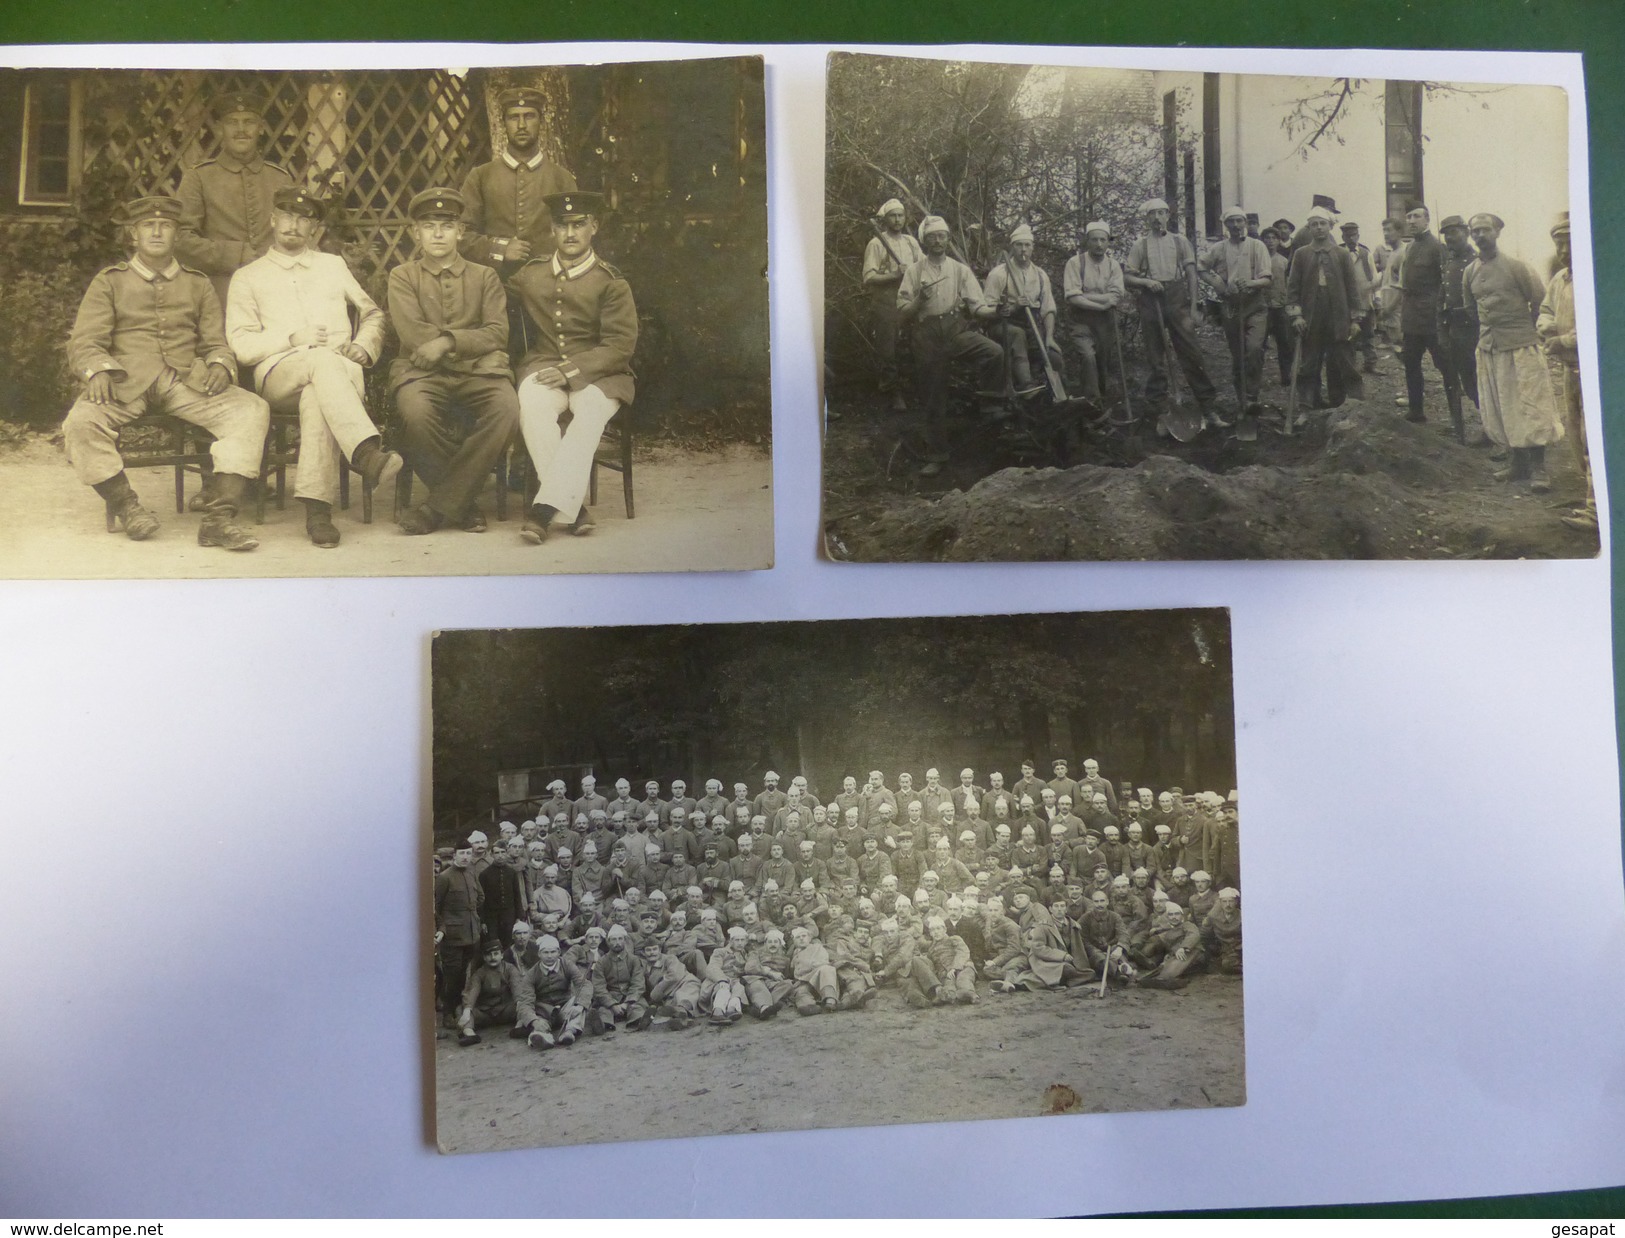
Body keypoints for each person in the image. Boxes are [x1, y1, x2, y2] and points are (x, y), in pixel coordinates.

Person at [64, 195, 269, 551]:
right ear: (133, 234)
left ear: (176, 234)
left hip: (185, 381)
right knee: (80, 423)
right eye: (148, 225)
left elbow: (215, 342)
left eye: (166, 226)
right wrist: (96, 370)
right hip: (124, 382)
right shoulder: (110, 282)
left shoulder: (198, 283)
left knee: (251, 409)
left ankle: (219, 519)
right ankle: (127, 506)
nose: (157, 232)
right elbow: (85, 341)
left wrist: (221, 363)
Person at [225, 186, 402, 548]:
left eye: (304, 218)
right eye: (287, 215)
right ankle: (364, 452)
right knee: (319, 361)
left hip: (338, 374)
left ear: (314, 228)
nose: (294, 224)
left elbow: (371, 313)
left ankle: (317, 511)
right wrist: (292, 339)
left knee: (317, 397)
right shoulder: (248, 276)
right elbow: (242, 347)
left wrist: (363, 346)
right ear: (273, 220)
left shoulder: (332, 266)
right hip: (279, 375)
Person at [387, 186, 522, 537]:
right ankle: (464, 503)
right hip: (422, 374)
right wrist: (473, 350)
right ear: (415, 233)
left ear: (460, 232)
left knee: (506, 408)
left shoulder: (485, 276)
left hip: (477, 376)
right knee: (416, 414)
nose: (437, 234)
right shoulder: (402, 276)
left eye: (446, 226)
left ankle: (439, 506)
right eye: (428, 226)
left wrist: (447, 341)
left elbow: (497, 332)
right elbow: (414, 336)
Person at [510, 190, 638, 543]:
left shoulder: (611, 281)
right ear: (551, 230)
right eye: (562, 225)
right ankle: (574, 510)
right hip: (543, 363)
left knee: (591, 413)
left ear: (593, 227)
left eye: (579, 225)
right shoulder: (530, 275)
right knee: (532, 406)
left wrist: (572, 370)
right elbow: (491, 294)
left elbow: (620, 346)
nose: (570, 233)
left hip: (603, 374)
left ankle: (544, 511)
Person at [895, 214, 1004, 477]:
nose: (937, 241)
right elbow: (901, 311)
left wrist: (997, 311)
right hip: (927, 336)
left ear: (948, 238)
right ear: (924, 241)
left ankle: (991, 406)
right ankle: (936, 455)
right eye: (931, 237)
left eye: (941, 236)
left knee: (994, 352)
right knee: (934, 396)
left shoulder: (959, 269)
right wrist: (919, 302)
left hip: (955, 330)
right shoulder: (914, 271)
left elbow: (978, 306)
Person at [1463, 212, 1563, 492]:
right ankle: (1517, 464)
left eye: (1485, 230)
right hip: (1490, 347)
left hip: (1521, 346)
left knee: (1531, 404)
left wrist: (1523, 331)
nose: (1480, 236)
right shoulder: (1470, 271)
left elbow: (1539, 302)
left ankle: (1539, 468)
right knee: (1503, 404)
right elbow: (1471, 307)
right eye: (1475, 231)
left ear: (1497, 232)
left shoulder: (1517, 267)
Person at [458, 85, 578, 313]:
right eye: (514, 117)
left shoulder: (561, 178)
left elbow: (575, 238)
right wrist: (500, 249)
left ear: (541, 122)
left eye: (529, 116)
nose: (521, 125)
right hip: (493, 291)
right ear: (503, 123)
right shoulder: (480, 176)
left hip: (550, 293)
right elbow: (462, 236)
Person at [175, 90, 295, 308]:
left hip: (277, 291)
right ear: (220, 129)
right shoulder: (199, 177)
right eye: (232, 122)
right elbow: (180, 239)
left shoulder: (280, 178)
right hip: (219, 293)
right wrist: (234, 254)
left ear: (261, 128)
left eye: (249, 122)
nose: (241, 130)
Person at [1123, 197, 1219, 424]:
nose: (1157, 218)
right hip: (1151, 300)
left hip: (1177, 300)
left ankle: (1208, 408)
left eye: (1161, 213)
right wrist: (1146, 283)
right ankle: (1161, 411)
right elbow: (1127, 276)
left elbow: (1192, 275)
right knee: (1155, 357)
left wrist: (1194, 306)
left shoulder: (1180, 241)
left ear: (1168, 216)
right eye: (1152, 214)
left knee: (1191, 353)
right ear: (1147, 218)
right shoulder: (1140, 245)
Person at [1537, 212, 1594, 532]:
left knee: (1592, 437)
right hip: (1569, 369)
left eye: (1570, 243)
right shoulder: (1560, 280)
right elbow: (1545, 311)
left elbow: (1596, 327)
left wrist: (1562, 341)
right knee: (1574, 436)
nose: (1564, 251)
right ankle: (1591, 500)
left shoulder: (1595, 278)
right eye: (1559, 245)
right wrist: (1548, 331)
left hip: (1593, 371)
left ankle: (1598, 512)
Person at [1286, 207, 1364, 409]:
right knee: (1310, 363)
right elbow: (1293, 288)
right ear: (1309, 228)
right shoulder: (1301, 254)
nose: (1319, 228)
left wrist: (1355, 320)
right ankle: (1308, 405)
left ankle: (1351, 406)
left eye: (1322, 224)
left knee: (1344, 361)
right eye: (1314, 224)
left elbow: (1352, 289)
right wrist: (1296, 316)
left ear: (1330, 226)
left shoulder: (1342, 254)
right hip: (1311, 316)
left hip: (1339, 315)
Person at [1198, 206, 1273, 415]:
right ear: (1226, 225)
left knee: (1254, 349)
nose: (1237, 226)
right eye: (1232, 222)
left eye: (1240, 221)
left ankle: (1252, 395)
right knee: (1238, 354)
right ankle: (1242, 400)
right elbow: (1201, 267)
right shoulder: (1219, 248)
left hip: (1255, 305)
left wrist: (1250, 283)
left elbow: (1267, 279)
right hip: (1230, 307)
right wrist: (1219, 285)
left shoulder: (1257, 246)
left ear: (1246, 224)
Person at [979, 222, 1059, 398]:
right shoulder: (999, 274)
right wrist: (1013, 307)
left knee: (1054, 356)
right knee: (1017, 335)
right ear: (1012, 247)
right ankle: (1026, 387)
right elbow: (986, 308)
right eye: (1019, 245)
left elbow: (1048, 309)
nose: (1023, 249)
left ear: (1032, 248)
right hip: (1004, 324)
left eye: (1027, 245)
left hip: (1033, 324)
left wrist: (1050, 337)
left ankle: (1058, 396)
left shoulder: (1040, 275)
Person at [862, 198, 924, 409]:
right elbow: (869, 277)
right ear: (885, 219)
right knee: (888, 346)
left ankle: (915, 388)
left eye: (900, 215)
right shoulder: (877, 243)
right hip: (886, 299)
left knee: (915, 340)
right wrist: (894, 274)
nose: (897, 220)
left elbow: (923, 267)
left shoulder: (911, 242)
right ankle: (891, 390)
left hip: (909, 297)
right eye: (893, 216)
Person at [1058, 220, 1126, 410]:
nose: (1098, 244)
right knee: (1088, 357)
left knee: (1103, 362)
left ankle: (1101, 402)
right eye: (1094, 240)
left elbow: (1116, 297)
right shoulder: (1075, 263)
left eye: (1102, 240)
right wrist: (1101, 303)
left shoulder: (1113, 266)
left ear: (1108, 242)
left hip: (1105, 323)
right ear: (1087, 241)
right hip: (1080, 321)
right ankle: (1092, 405)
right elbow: (1073, 298)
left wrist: (1087, 296)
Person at [1394, 205, 1447, 425]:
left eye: (1417, 216)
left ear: (1427, 220)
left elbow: (1444, 284)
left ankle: (1457, 417)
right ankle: (1416, 411)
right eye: (1409, 217)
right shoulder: (1410, 247)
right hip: (1411, 318)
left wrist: (1440, 314)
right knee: (1411, 363)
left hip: (1432, 319)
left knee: (1445, 366)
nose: (1412, 221)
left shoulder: (1437, 247)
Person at [433, 839, 485, 1028]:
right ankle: (447, 1013)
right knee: (451, 976)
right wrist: (445, 927)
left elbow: (480, 897)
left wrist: (471, 917)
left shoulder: (471, 872)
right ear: (454, 855)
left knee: (464, 974)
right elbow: (436, 908)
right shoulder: (445, 877)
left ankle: (457, 1008)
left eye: (468, 853)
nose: (465, 857)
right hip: (453, 936)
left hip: (471, 933)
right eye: (461, 853)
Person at [454, 938, 521, 1046]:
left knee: (525, 1004)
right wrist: (467, 1010)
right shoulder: (479, 973)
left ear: (502, 955)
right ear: (484, 957)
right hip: (485, 1012)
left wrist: (520, 1004)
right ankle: (469, 1033)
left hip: (505, 1010)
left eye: (496, 954)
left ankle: (520, 1026)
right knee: (461, 1009)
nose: (493, 957)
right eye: (489, 955)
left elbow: (517, 987)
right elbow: (472, 992)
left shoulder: (510, 969)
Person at [1338, 220, 1380, 374]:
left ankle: (1370, 364)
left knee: (1368, 334)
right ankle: (1350, 366)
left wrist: (1376, 297)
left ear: (1358, 236)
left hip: (1364, 298)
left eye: (1353, 235)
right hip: (1346, 301)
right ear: (1342, 237)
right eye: (1347, 235)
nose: (1350, 239)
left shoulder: (1365, 253)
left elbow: (1373, 277)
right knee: (1350, 335)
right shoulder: (1338, 252)